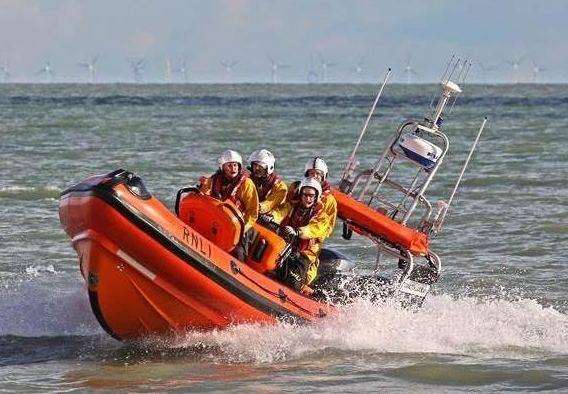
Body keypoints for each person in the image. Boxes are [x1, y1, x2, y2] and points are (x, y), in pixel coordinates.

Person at [262, 177, 332, 293]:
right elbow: (280, 212)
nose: (308, 198)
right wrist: (271, 217)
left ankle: (306, 291)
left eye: (311, 196)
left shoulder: (321, 216)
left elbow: (314, 228)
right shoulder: (291, 206)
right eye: (305, 195)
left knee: (293, 282)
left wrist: (298, 232)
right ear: (300, 194)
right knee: (268, 265)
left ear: (316, 197)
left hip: (304, 255)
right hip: (285, 247)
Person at [199, 149, 259, 260]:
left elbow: (252, 212)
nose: (233, 169)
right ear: (223, 167)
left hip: (239, 226)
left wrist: (241, 230)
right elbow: (204, 199)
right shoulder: (213, 180)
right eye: (229, 166)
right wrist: (202, 185)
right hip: (216, 222)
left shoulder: (246, 184)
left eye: (235, 165)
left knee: (239, 252)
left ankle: (238, 270)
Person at [287, 156, 337, 239]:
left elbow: (326, 227)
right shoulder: (295, 188)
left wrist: (302, 232)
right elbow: (285, 207)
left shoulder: (328, 200)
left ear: (323, 176)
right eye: (311, 173)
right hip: (289, 231)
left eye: (318, 173)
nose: (314, 176)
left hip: (311, 239)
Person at [248, 149, 288, 216]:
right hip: (251, 211)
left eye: (260, 166)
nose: (257, 168)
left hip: (269, 216)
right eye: (255, 165)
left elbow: (270, 203)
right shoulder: (247, 180)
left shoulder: (280, 187)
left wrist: (259, 207)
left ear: (269, 167)